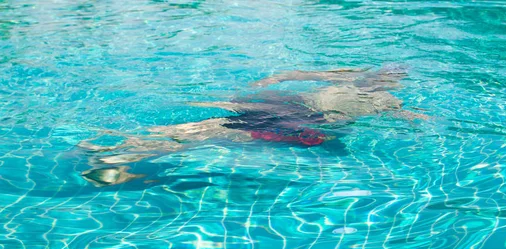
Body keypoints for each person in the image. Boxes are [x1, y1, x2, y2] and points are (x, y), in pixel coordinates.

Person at [79, 65, 427, 186]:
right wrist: (423, 121)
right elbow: (405, 117)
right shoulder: (383, 99)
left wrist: (266, 83)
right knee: (216, 132)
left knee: (211, 128)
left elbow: (294, 73)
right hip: (297, 120)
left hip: (288, 109)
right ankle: (115, 157)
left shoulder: (348, 78)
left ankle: (115, 147)